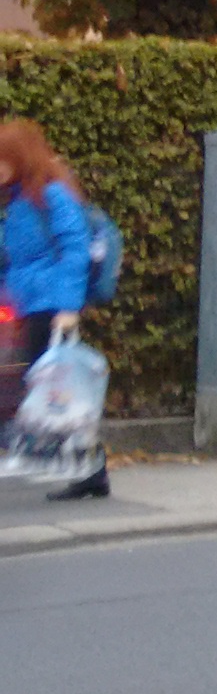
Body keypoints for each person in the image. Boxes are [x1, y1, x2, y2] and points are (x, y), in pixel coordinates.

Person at [0, 121, 106, 499]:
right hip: (31, 304)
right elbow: (13, 258)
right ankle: (91, 469)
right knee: (53, 388)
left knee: (53, 387)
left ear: (20, 158)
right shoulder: (18, 199)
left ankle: (80, 465)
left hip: (51, 305)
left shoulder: (51, 195)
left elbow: (75, 249)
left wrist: (67, 306)